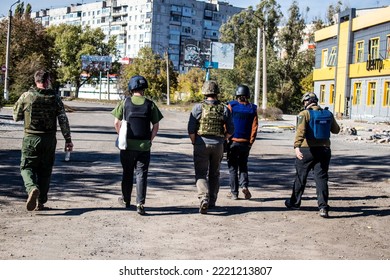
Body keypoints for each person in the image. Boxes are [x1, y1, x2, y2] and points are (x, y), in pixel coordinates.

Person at [13, 69, 73, 211]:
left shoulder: (26, 96)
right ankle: (41, 202)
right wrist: (68, 140)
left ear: (35, 81)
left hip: (31, 137)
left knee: (26, 167)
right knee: (45, 170)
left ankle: (32, 188)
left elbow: (16, 116)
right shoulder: (55, 98)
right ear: (47, 81)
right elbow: (63, 120)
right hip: (49, 139)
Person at [111, 75, 163, 215]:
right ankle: (140, 203)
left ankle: (126, 200)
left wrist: (121, 135)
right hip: (143, 147)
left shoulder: (125, 103)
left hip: (127, 145)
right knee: (141, 174)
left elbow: (116, 122)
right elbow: (156, 125)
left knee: (127, 172)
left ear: (131, 88)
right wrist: (150, 140)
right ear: (144, 89)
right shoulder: (150, 104)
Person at [285, 92, 340, 218]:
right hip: (324, 150)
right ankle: (323, 207)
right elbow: (336, 130)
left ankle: (294, 202)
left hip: (306, 150)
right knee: (321, 179)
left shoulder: (304, 114)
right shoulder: (328, 114)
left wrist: (296, 147)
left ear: (306, 102)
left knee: (301, 177)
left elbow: (300, 131)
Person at [187, 80, 234, 214]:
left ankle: (203, 197)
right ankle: (212, 200)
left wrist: (194, 142)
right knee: (215, 173)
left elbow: (191, 129)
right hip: (218, 145)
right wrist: (223, 139)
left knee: (201, 173)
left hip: (201, 143)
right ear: (216, 92)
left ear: (204, 92)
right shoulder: (224, 108)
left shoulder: (198, 108)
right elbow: (231, 129)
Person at [226, 85, 258, 200]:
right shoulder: (252, 108)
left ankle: (234, 193)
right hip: (245, 143)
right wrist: (250, 142)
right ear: (248, 95)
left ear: (237, 95)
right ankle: (244, 185)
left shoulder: (231, 106)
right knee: (243, 165)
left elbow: (226, 123)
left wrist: (226, 138)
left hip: (233, 141)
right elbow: (254, 127)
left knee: (233, 167)